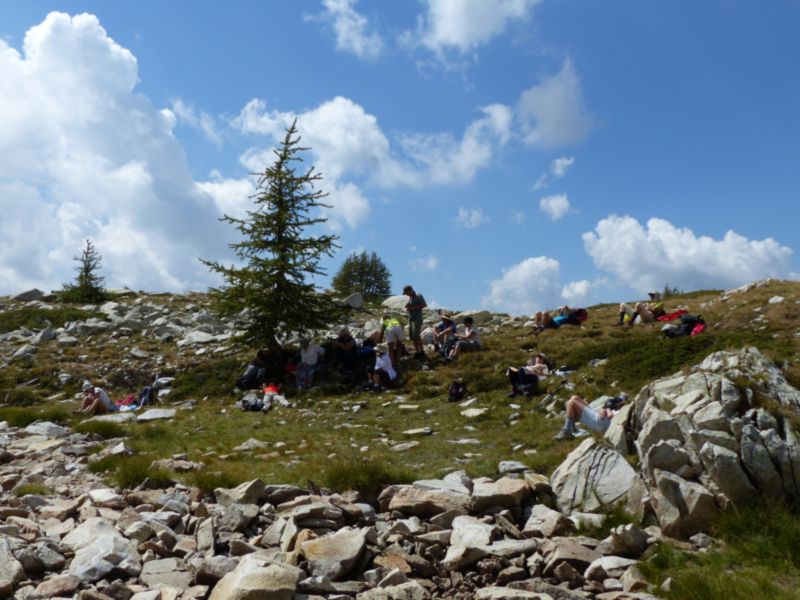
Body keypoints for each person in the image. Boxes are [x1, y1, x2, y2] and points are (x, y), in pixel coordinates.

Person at [554, 393, 627, 440]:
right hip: (599, 417)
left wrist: (607, 410)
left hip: (599, 423)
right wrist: (605, 410)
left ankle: (567, 430)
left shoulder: (623, 412)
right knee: (574, 397)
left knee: (572, 403)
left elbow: (613, 419)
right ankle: (572, 429)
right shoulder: (620, 410)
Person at [403, 285, 427, 359]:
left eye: (407, 293)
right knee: (413, 337)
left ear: (410, 290)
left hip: (417, 319)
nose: (406, 294)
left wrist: (413, 308)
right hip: (411, 319)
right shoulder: (410, 298)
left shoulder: (418, 296)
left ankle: (422, 351)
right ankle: (417, 352)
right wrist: (407, 307)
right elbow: (409, 306)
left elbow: (424, 304)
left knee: (417, 336)